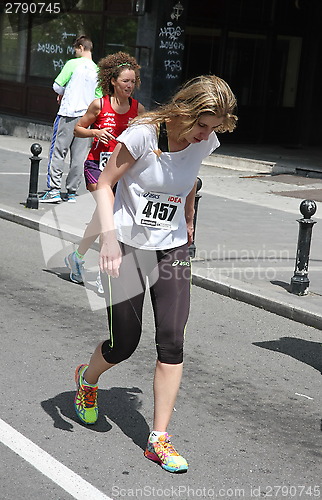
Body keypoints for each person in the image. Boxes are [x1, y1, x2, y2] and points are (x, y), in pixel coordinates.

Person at [73, 75, 237, 473]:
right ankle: (88, 380)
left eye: (213, 128)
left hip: (173, 248)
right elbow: (106, 184)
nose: (205, 136)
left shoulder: (205, 140)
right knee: (124, 343)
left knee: (172, 340)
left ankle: (158, 439)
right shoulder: (144, 134)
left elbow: (191, 180)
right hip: (128, 243)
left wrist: (190, 219)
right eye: (202, 125)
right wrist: (108, 240)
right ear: (184, 111)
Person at [64, 52, 144, 287]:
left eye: (132, 81)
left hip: (120, 170)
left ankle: (77, 257)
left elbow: (148, 136)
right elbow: (78, 129)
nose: (130, 86)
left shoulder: (138, 109)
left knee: (102, 216)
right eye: (125, 81)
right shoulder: (100, 104)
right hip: (96, 166)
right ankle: (103, 272)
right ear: (113, 81)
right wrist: (95, 132)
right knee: (106, 211)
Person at [40, 35, 101, 204]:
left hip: (68, 114)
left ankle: (54, 190)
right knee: (79, 157)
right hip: (86, 118)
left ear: (81, 47)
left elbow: (57, 85)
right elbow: (99, 96)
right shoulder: (97, 70)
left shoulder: (72, 64)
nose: (75, 52)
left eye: (76, 49)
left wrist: (65, 92)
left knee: (58, 152)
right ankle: (72, 192)